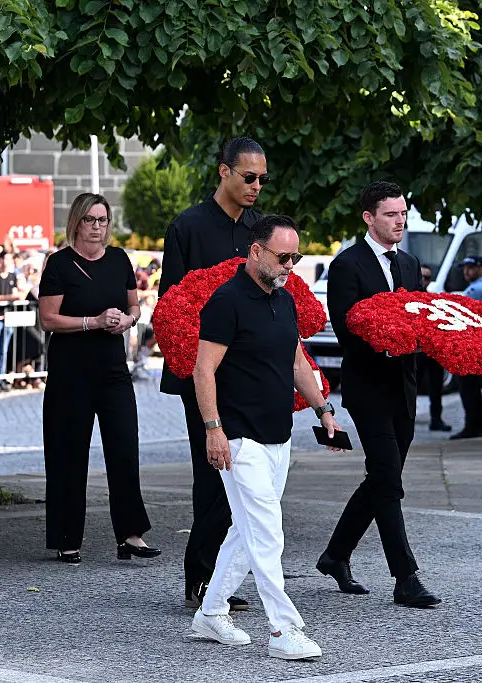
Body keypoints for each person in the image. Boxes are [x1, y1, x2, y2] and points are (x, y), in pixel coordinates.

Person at [190, 215, 335, 658]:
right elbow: (203, 370)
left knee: (246, 530)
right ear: (256, 252)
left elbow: (296, 363)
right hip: (238, 439)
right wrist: (214, 430)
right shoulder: (227, 301)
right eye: (283, 256)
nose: (291, 264)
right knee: (268, 532)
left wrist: (323, 409)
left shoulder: (285, 300)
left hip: (278, 436)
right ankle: (283, 630)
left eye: (296, 256)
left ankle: (210, 613)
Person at [316, 181, 441, 607]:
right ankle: (405, 577)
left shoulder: (409, 264)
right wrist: (385, 343)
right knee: (387, 477)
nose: (400, 221)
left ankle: (335, 556)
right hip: (368, 387)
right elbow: (346, 328)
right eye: (391, 214)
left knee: (383, 480)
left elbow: (422, 318)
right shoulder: (347, 265)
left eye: (403, 213)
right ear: (369, 218)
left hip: (403, 388)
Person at [159, 136, 268, 612]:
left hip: (247, 373)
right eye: (249, 177)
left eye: (263, 179)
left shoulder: (260, 230)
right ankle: (200, 578)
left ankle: (222, 575)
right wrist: (192, 371)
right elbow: (171, 308)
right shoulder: (187, 226)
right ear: (223, 172)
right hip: (201, 370)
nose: (257, 187)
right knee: (211, 474)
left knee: (243, 478)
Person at [38, 193, 159, 564]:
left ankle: (130, 534)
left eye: (102, 220)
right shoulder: (58, 264)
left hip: (112, 369)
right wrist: (91, 322)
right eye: (90, 219)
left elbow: (134, 304)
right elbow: (48, 319)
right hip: (70, 370)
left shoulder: (120, 260)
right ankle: (66, 536)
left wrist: (128, 320)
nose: (96, 227)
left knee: (124, 447)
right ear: (76, 221)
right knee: (68, 454)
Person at [450, 256, 482, 440]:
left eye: (471, 268)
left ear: (480, 269)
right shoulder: (481, 286)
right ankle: (480, 423)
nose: (466, 272)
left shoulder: (477, 289)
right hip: (480, 343)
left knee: (469, 387)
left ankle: (473, 425)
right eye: (464, 268)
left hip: (472, 345)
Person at [416, 264, 451, 432]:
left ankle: (436, 419)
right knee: (408, 386)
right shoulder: (407, 298)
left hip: (431, 350)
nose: (424, 280)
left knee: (436, 386)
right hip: (414, 351)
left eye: (427, 277)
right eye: (421, 276)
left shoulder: (432, 300)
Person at [0, 253, 22, 389]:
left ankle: (0, 379)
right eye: (5, 258)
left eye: (10, 258)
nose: (7, 261)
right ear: (0, 259)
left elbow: (18, 293)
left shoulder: (13, 276)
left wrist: (12, 297)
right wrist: (11, 297)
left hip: (8, 318)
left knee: (4, 350)